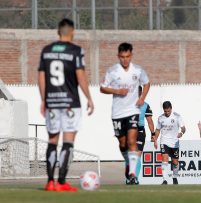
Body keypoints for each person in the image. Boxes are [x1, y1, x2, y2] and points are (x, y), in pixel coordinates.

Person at [38, 18, 94, 192]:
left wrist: (43, 99)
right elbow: (80, 75)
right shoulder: (76, 51)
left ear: (58, 32)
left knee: (52, 141)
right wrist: (89, 97)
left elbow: (41, 76)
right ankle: (61, 182)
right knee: (68, 142)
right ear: (73, 31)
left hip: (52, 102)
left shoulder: (46, 51)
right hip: (70, 103)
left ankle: (49, 182)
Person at [100, 42, 150, 185]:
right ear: (118, 56)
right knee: (122, 143)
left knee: (131, 141)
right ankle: (129, 161)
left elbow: (147, 83)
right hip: (117, 113)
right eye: (122, 57)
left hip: (132, 111)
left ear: (131, 55)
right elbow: (102, 88)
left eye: (127, 56)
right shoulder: (112, 71)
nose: (125, 60)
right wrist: (116, 91)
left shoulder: (138, 71)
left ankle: (133, 174)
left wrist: (142, 98)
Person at [153, 101, 186, 185]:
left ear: (171, 108)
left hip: (174, 142)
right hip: (164, 141)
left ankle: (175, 177)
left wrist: (181, 133)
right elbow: (157, 130)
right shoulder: (160, 118)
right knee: (165, 159)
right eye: (165, 111)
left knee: (175, 162)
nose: (167, 113)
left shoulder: (177, 116)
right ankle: (165, 180)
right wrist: (155, 140)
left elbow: (183, 128)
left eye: (168, 111)